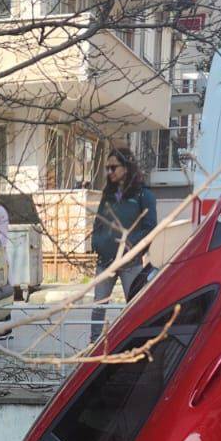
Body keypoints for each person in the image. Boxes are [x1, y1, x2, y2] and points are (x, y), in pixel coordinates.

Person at [89, 146, 157, 343]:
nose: (109, 172)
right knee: (98, 306)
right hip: (105, 262)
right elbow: (99, 221)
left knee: (136, 306)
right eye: (107, 168)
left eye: (113, 167)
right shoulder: (109, 194)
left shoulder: (143, 195)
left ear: (126, 168)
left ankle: (136, 344)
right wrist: (97, 242)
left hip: (130, 263)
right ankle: (93, 345)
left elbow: (150, 228)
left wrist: (131, 246)